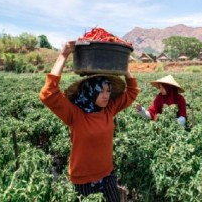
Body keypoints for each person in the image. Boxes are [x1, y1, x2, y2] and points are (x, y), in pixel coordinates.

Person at [39, 41, 139, 201]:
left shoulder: (109, 110)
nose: (106, 95)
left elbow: (132, 91)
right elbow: (48, 93)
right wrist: (64, 54)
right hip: (82, 181)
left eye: (109, 91)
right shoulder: (75, 115)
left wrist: (123, 64)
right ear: (90, 91)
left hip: (107, 175)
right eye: (102, 91)